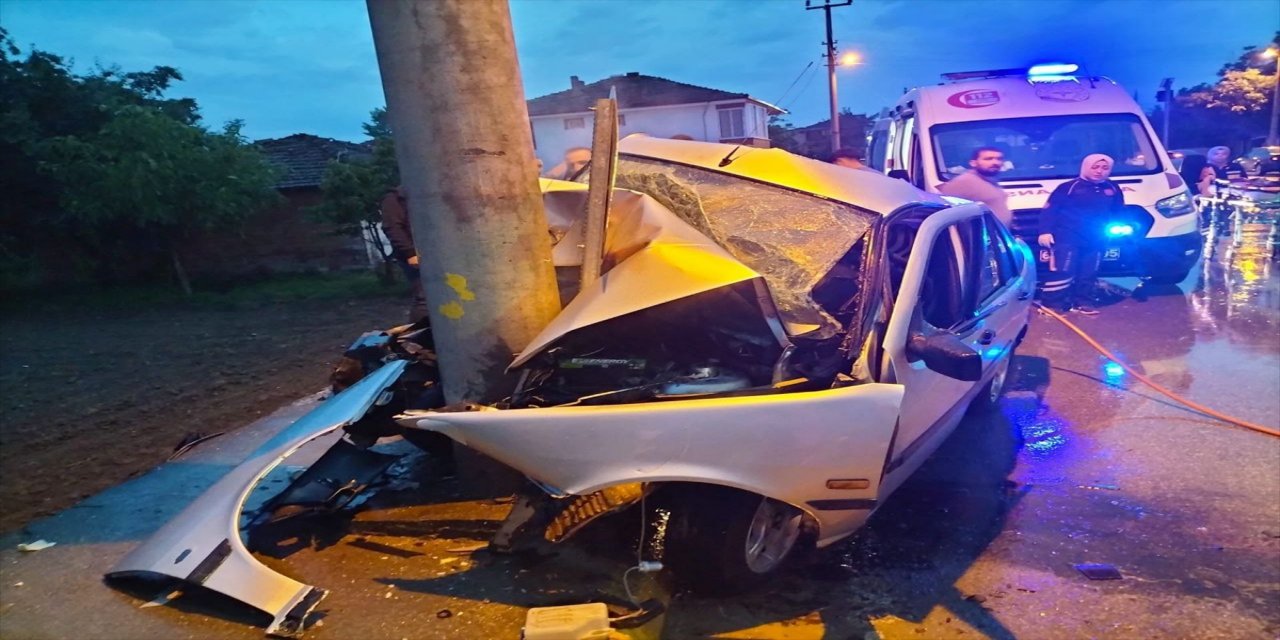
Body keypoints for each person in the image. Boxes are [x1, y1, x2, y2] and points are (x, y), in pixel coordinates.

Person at [1038, 154, 1126, 315]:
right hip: (1068, 237)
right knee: (1063, 270)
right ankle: (1052, 304)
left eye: (1105, 168)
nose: (1100, 171)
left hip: (1096, 238)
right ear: (1086, 167)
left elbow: (1118, 211)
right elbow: (1050, 210)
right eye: (1095, 167)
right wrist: (1045, 231)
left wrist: (1119, 228)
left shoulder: (1112, 188)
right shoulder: (1068, 188)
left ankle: (1083, 302)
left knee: (1089, 271)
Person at [380, 186, 428, 323]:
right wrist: (410, 253)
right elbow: (392, 228)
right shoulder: (394, 198)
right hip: (413, 257)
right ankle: (418, 337)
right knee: (425, 298)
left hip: (434, 255)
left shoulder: (423, 193)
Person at [936, 146, 1012, 227]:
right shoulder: (963, 182)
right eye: (988, 159)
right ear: (973, 163)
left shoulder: (989, 181)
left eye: (999, 159)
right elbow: (946, 215)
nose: (995, 162)